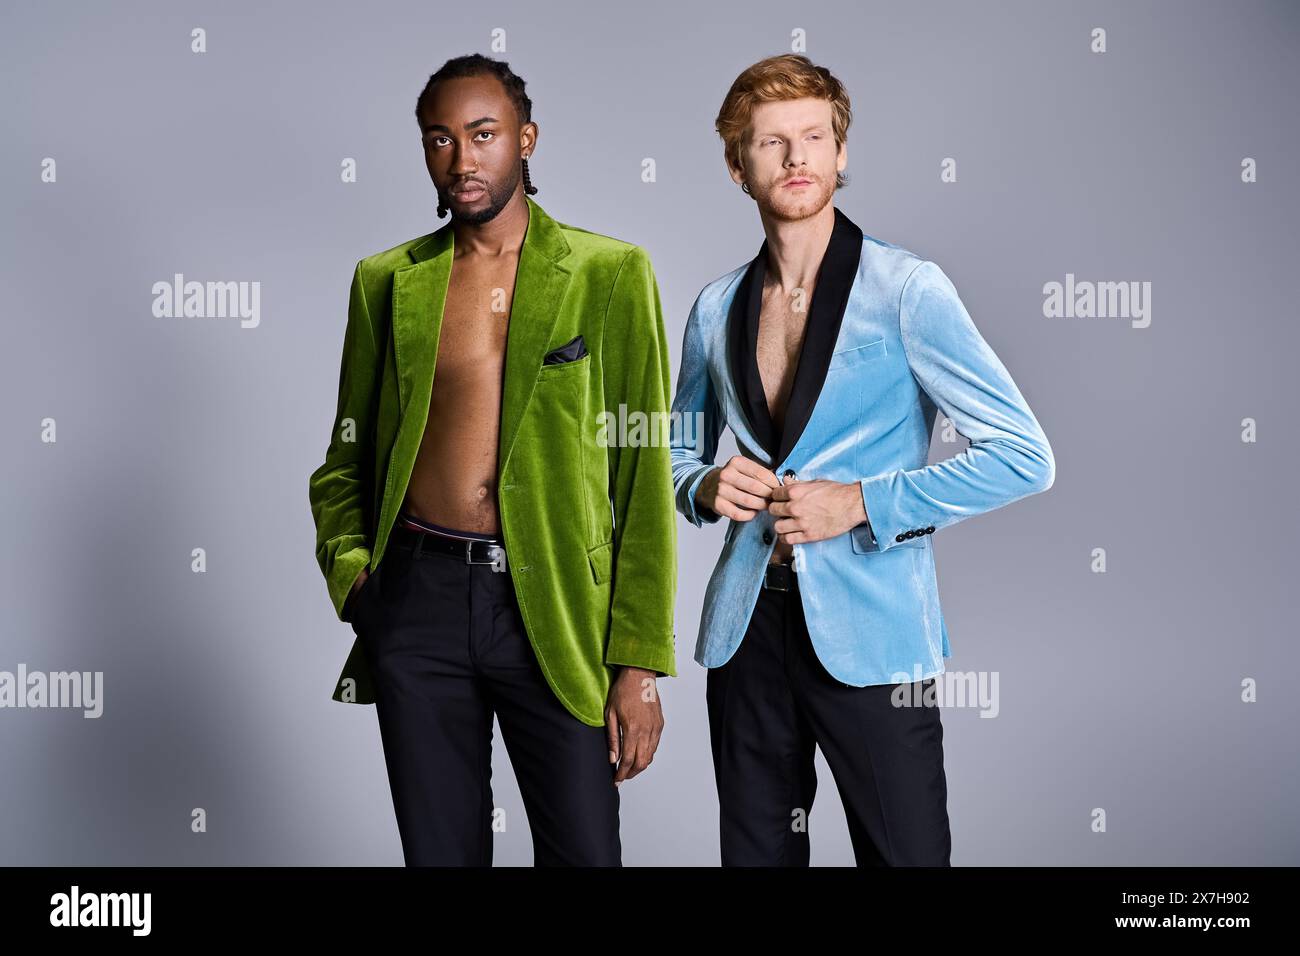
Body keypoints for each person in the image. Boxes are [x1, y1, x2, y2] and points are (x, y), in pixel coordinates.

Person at [669, 54, 1055, 865]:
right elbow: (673, 456)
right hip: (747, 632)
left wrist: (862, 504)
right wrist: (703, 484)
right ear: (738, 167)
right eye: (771, 143)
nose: (797, 158)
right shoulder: (714, 307)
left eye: (814, 137)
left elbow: (1024, 455)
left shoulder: (907, 289)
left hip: (875, 635)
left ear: (841, 155)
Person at [309, 54, 677, 866]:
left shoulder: (610, 274)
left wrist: (640, 664)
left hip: (550, 600)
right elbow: (344, 459)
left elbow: (643, 479)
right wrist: (359, 581)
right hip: (417, 598)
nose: (463, 160)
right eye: (440, 140)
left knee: (582, 850)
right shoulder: (387, 282)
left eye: (483, 135)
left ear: (527, 139)